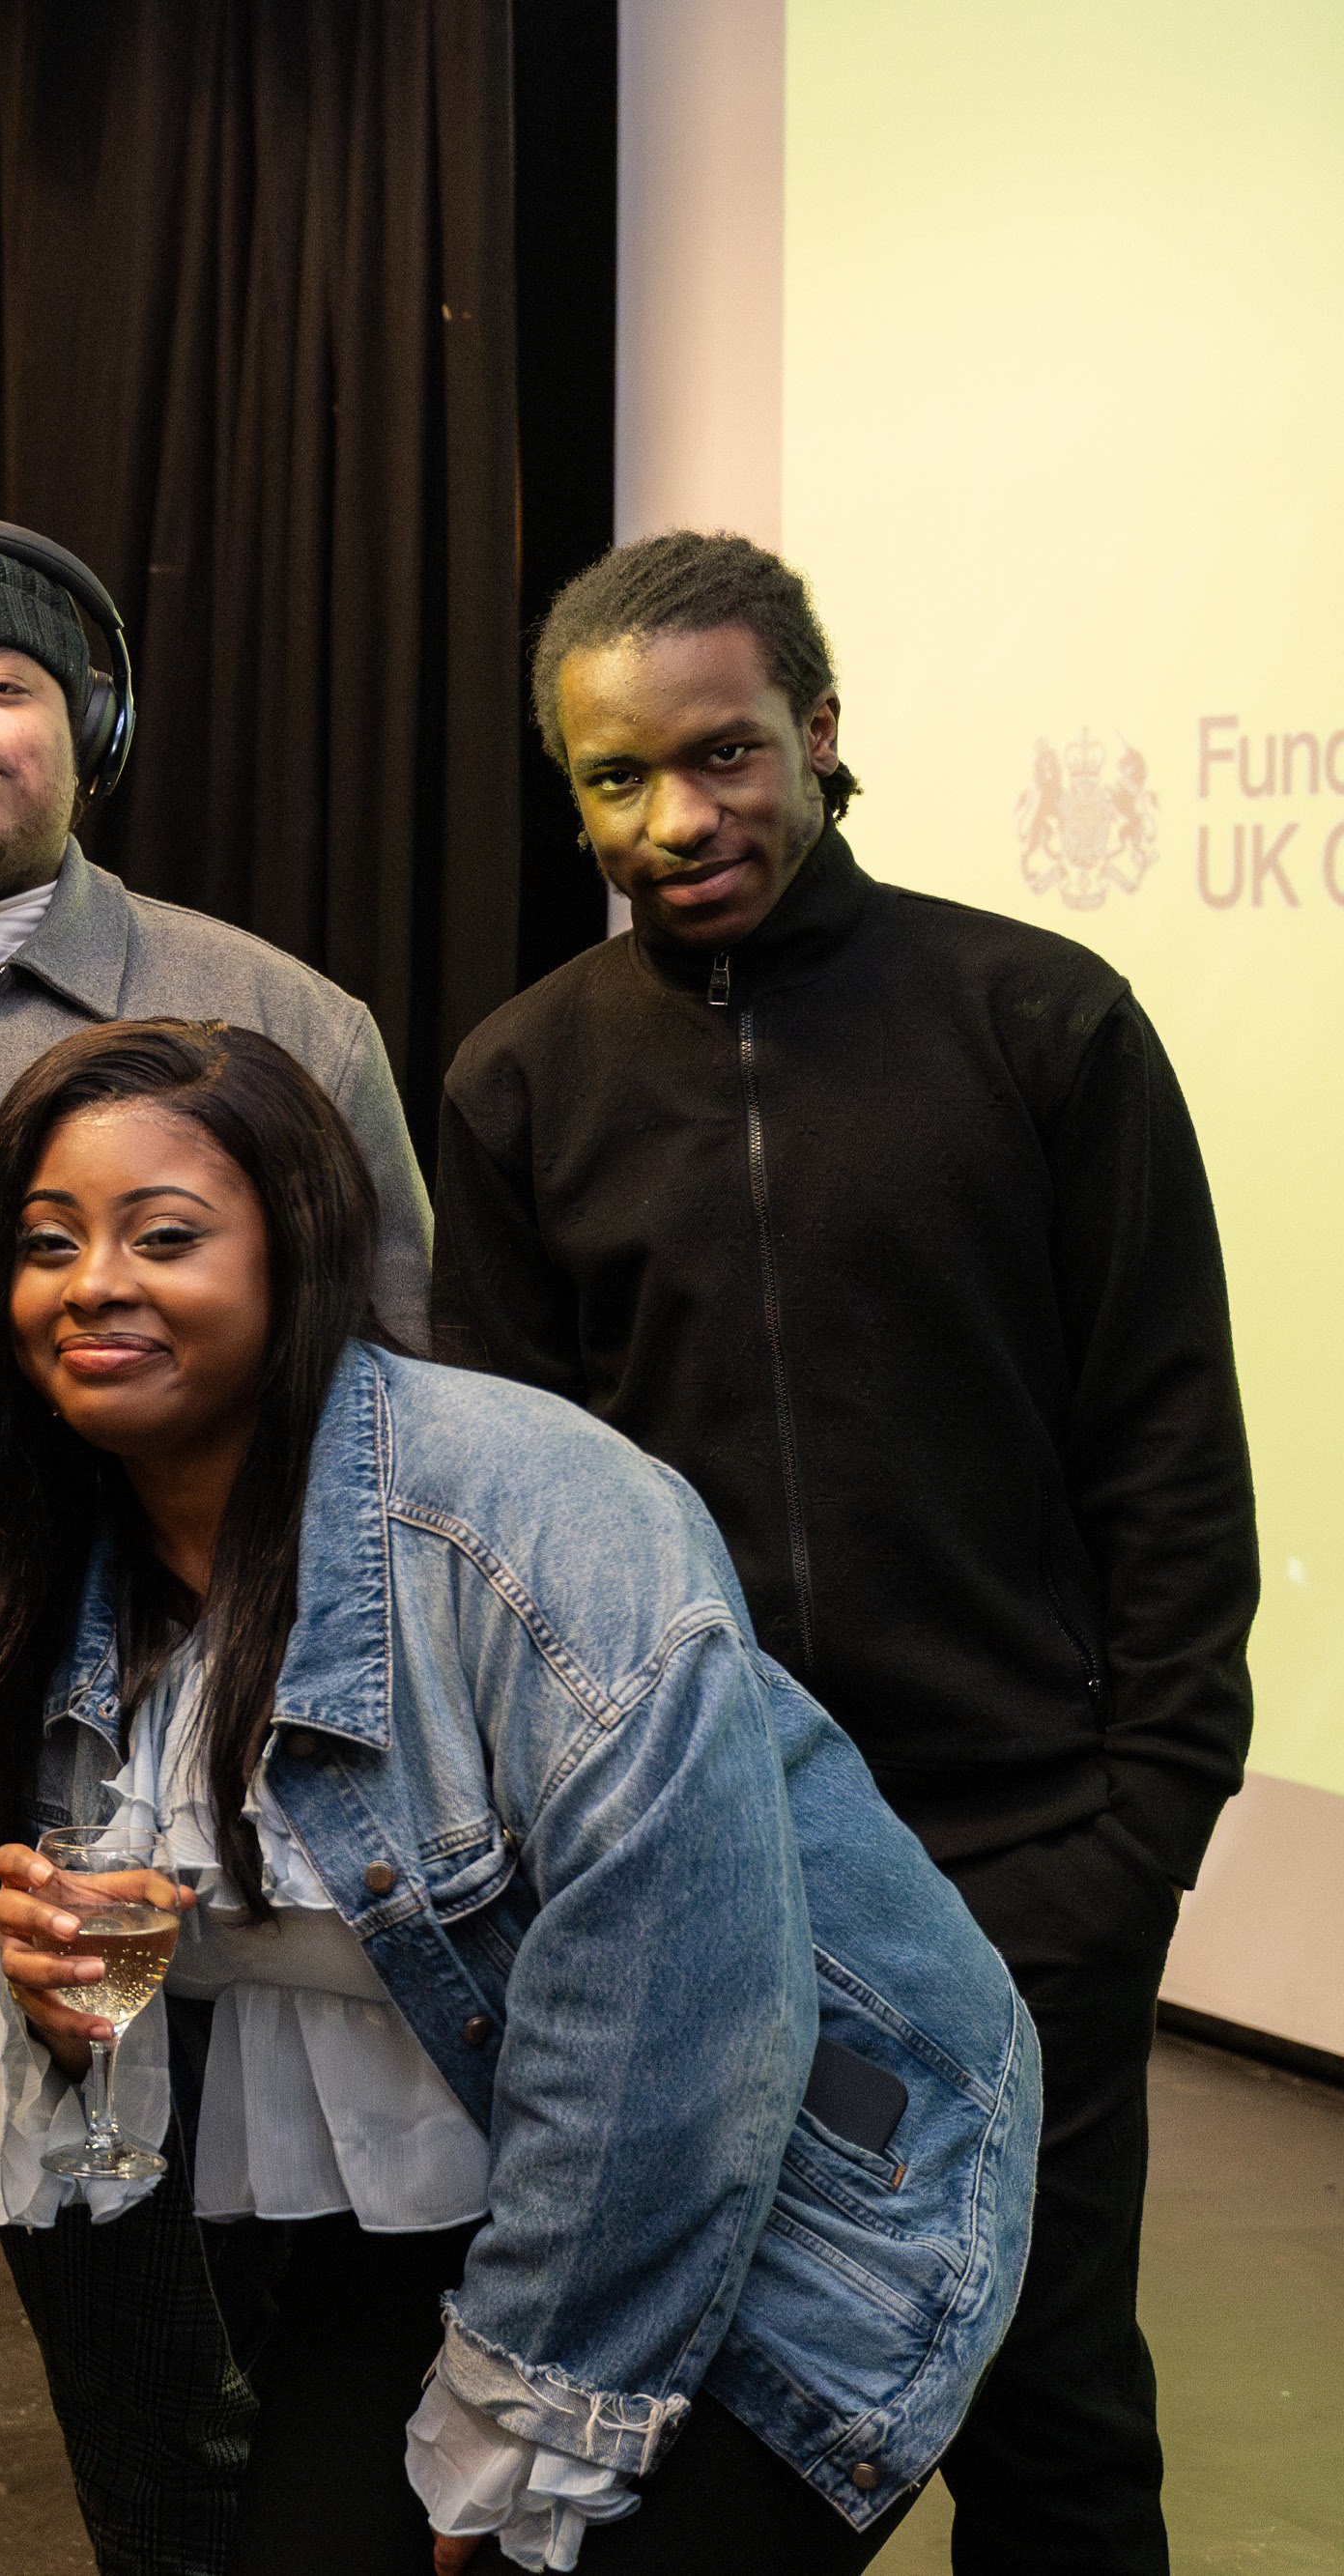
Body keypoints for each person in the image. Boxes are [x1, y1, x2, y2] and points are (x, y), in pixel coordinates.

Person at [0, 1021, 1034, 2574]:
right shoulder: (70, 1568)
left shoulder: (532, 1517)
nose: (92, 1282)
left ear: (302, 1246)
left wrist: (531, 2412)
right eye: (46, 1244)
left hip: (798, 2185)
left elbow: (679, 2018)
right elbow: (174, 1966)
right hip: (438, 2180)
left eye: (164, 1234)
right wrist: (73, 2004)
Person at [434, 532, 1255, 2573]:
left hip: (1015, 1866)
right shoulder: (520, 1079)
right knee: (705, 2448)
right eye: (613, 780)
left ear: (813, 731)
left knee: (1050, 2419)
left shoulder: (1038, 1023)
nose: (671, 817)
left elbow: (1164, 1458)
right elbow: (505, 1524)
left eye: (717, 754)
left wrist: (1130, 1833)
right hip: (685, 1878)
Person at [0, 507, 431, 2570]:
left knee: (186, 2422)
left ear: (95, 726)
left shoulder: (268, 1017)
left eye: (7, 680)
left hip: (155, 1835)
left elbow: (376, 1412)